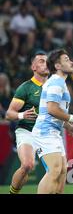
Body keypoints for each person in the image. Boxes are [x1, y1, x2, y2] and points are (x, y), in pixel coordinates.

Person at [32, 49, 73, 194]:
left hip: (53, 131)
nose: (71, 61)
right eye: (66, 59)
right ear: (57, 66)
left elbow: (56, 114)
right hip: (45, 132)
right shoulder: (56, 82)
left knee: (61, 172)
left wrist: (68, 126)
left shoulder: (60, 82)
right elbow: (52, 109)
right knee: (55, 170)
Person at [6, 51, 49, 194]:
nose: (45, 63)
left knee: (57, 170)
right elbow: (9, 114)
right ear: (33, 67)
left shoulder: (53, 87)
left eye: (47, 61)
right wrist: (22, 114)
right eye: (41, 61)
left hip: (46, 133)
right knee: (27, 165)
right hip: (27, 130)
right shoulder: (26, 87)